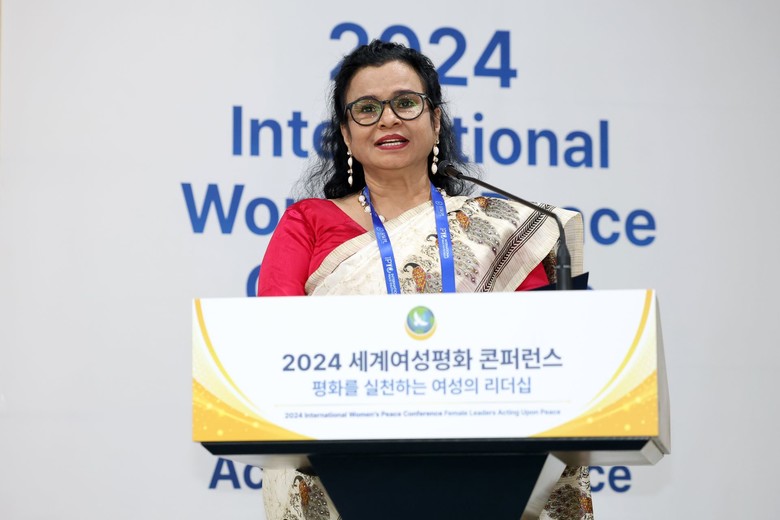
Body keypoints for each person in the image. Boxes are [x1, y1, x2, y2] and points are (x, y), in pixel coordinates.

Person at [258, 40, 591, 520]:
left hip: (485, 468)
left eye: (405, 102)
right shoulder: (308, 223)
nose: (388, 119)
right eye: (366, 108)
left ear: (435, 121)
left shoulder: (497, 229)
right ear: (347, 135)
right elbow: (276, 347)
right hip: (342, 464)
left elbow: (542, 352)